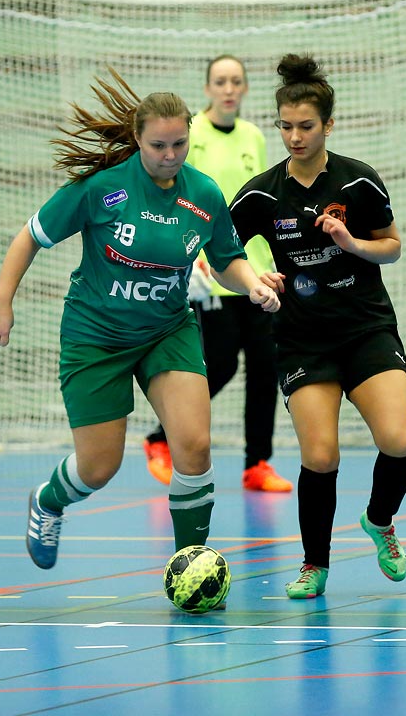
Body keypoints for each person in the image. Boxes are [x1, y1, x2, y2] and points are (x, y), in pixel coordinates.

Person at [0, 67, 280, 571]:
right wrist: (2, 302)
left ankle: (191, 560)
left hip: (167, 330)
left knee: (194, 443)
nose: (170, 156)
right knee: (100, 467)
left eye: (179, 145)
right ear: (138, 140)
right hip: (96, 336)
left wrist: (250, 282)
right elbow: (29, 237)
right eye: (159, 146)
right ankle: (48, 501)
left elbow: (228, 258)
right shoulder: (101, 189)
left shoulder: (203, 194)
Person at [229, 54, 406, 599]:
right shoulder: (261, 194)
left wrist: (352, 244)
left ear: (328, 125)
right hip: (303, 338)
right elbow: (221, 253)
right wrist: (253, 279)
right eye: (285, 126)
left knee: (400, 441)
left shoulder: (359, 181)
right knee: (320, 456)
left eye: (305, 126)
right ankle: (316, 564)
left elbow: (393, 246)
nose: (294, 136)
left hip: (365, 329)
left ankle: (380, 521)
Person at [143, 55, 293, 495]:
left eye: (236, 82)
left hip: (255, 271)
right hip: (208, 273)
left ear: (245, 89)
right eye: (220, 81)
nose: (229, 89)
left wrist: (274, 264)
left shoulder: (252, 136)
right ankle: (160, 437)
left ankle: (258, 464)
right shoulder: (190, 137)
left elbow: (263, 204)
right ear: (208, 88)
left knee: (267, 367)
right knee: (221, 363)